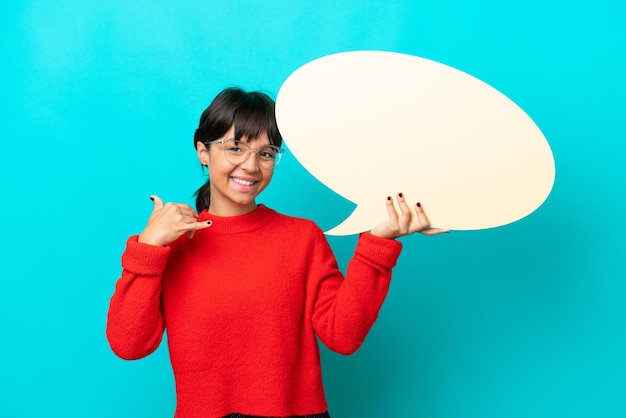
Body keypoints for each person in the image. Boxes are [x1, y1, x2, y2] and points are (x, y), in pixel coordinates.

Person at [106, 87, 447, 418]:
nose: (251, 166)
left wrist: (378, 242)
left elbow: (342, 336)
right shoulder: (171, 245)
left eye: (266, 153)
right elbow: (129, 345)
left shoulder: (301, 238)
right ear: (203, 151)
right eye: (235, 148)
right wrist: (148, 248)